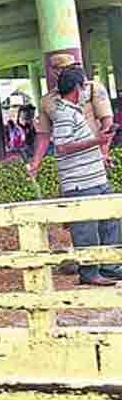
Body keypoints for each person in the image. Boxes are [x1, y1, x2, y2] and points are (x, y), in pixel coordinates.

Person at [47, 66, 122, 286]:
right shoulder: (63, 114)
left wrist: (100, 155)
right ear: (76, 88)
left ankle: (110, 266)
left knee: (110, 221)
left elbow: (76, 146)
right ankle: (89, 272)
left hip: (94, 178)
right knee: (86, 230)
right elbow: (62, 147)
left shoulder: (73, 111)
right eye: (84, 86)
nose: (86, 91)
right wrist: (97, 141)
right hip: (81, 182)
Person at [31, 53, 115, 177]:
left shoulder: (93, 89)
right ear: (54, 72)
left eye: (70, 68)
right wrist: (35, 163)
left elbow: (107, 121)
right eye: (60, 69)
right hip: (69, 161)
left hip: (94, 154)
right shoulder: (47, 100)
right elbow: (44, 134)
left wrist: (103, 152)